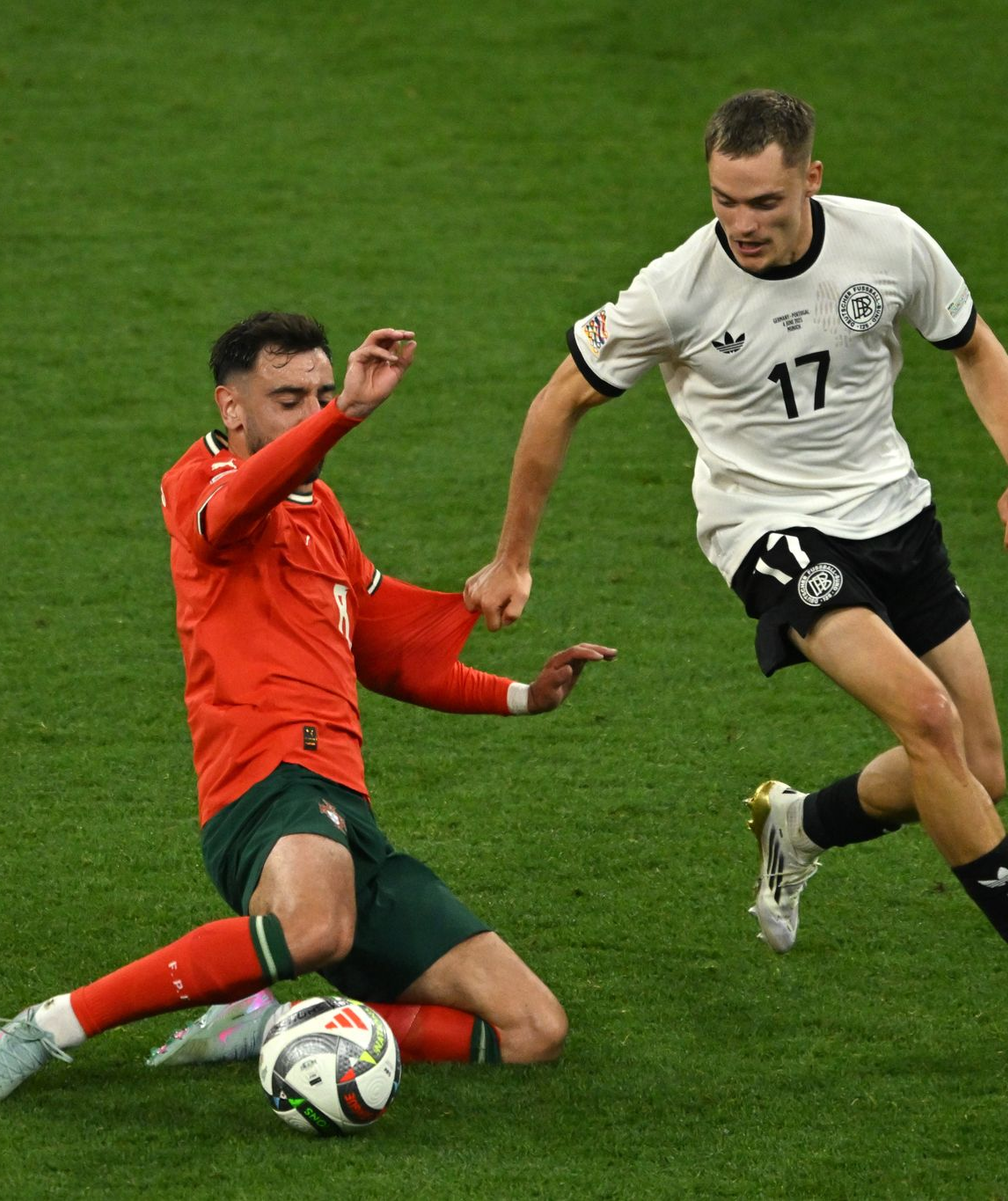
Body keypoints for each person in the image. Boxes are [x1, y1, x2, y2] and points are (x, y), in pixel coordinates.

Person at [464, 90, 1008, 1021]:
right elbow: (557, 401)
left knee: (975, 770)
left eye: (764, 204)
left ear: (811, 181)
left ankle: (801, 822)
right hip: (768, 529)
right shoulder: (677, 287)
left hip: (894, 512)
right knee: (927, 715)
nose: (740, 225)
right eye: (723, 200)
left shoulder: (889, 242)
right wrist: (514, 559)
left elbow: (974, 347)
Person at [0, 312, 616, 1100]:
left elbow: (389, 650)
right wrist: (344, 415)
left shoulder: (321, 512)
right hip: (264, 786)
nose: (310, 407)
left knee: (534, 1029)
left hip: (345, 810)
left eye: (320, 392)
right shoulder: (197, 482)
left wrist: (527, 695)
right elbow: (233, 509)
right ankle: (48, 1025)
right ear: (232, 407)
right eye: (288, 397)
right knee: (316, 927)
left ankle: (272, 1025)